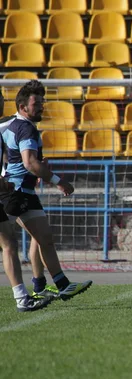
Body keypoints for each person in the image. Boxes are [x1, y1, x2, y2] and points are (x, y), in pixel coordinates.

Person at [1, 80, 92, 301]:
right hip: (15, 192)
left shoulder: (7, 123)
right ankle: (26, 295)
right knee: (8, 243)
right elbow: (29, 162)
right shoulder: (25, 128)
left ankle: (60, 285)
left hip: (24, 191)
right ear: (23, 107)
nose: (41, 106)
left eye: (42, 102)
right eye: (36, 103)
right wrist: (57, 180)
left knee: (43, 237)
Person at [0, 92, 51, 312]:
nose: (2, 105)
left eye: (2, 102)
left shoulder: (4, 128)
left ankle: (25, 297)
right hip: (13, 192)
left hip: (9, 189)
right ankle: (30, 292)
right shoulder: (12, 126)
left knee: (10, 243)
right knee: (12, 243)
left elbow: (8, 157)